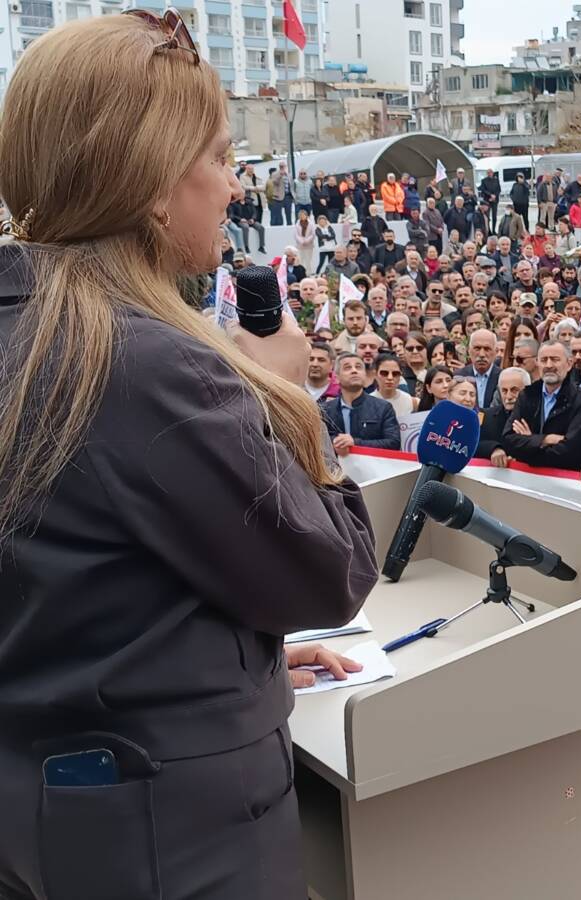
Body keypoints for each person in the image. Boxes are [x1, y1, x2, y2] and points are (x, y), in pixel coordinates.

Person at [0, 14, 378, 897]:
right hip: (170, 839)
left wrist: (198, 666)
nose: (235, 185)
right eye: (217, 157)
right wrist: (285, 399)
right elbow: (332, 571)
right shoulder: (147, 367)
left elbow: (71, 596)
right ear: (156, 187)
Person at [501, 340, 581, 470]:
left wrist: (529, 443)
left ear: (569, 364)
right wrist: (545, 439)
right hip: (526, 480)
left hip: (563, 482)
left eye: (555, 359)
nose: (549, 365)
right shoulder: (527, 395)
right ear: (537, 364)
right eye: (544, 360)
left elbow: (572, 452)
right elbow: (508, 440)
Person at [320, 353, 403, 454]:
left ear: (365, 375)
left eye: (358, 367)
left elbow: (393, 443)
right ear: (336, 378)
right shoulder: (325, 410)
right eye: (347, 368)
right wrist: (336, 442)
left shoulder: (383, 407)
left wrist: (355, 443)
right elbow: (317, 442)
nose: (354, 371)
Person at [477, 367, 529, 467]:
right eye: (504, 391)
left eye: (514, 390)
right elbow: (472, 444)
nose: (508, 396)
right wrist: (494, 449)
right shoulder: (485, 415)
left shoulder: (540, 417)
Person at [455, 328, 500, 408]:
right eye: (477, 348)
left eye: (487, 349)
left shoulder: (502, 378)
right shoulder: (458, 376)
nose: (482, 354)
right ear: (469, 351)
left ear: (496, 352)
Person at [373, 352, 415, 417]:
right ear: (375, 374)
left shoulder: (411, 401)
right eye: (384, 373)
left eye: (395, 374)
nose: (390, 377)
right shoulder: (367, 402)